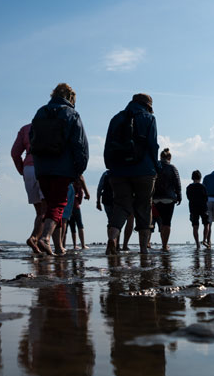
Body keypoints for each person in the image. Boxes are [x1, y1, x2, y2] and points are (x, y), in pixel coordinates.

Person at [31, 83, 89, 255]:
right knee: (58, 204)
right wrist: (79, 169)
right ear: (71, 97)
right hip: (62, 167)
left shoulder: (40, 112)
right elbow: (80, 144)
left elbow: (32, 138)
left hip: (41, 168)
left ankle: (58, 247)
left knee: (51, 205)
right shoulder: (71, 113)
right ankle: (45, 238)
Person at [104, 93, 159, 254]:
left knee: (120, 206)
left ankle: (112, 238)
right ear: (148, 106)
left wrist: (110, 167)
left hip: (118, 170)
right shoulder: (149, 118)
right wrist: (156, 167)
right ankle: (143, 249)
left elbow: (108, 145)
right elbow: (153, 145)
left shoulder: (116, 118)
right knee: (144, 207)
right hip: (144, 170)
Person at [9, 121, 48, 253]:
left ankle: (37, 243)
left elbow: (15, 153)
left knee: (39, 211)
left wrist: (22, 170)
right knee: (46, 210)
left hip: (28, 169)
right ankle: (35, 238)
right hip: (45, 167)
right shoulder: (51, 124)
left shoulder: (25, 128)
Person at [96, 169, 134, 250]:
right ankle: (122, 245)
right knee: (122, 222)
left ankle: (113, 242)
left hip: (107, 200)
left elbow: (99, 188)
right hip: (120, 200)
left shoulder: (106, 173)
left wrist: (98, 201)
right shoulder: (126, 171)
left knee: (111, 222)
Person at [186, 170, 209, 248]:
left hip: (193, 207)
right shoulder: (203, 187)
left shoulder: (189, 187)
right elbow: (206, 198)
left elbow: (188, 197)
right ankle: (204, 240)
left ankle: (197, 244)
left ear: (192, 178)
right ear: (200, 177)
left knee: (195, 226)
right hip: (203, 207)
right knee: (206, 224)